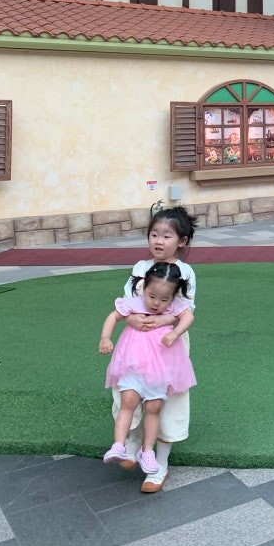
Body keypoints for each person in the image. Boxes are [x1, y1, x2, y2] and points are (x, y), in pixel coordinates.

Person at [113, 205, 197, 491]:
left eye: (166, 236)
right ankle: (133, 444)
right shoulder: (140, 268)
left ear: (182, 241)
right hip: (136, 344)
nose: (159, 241)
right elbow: (127, 301)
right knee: (129, 392)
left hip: (167, 346)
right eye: (154, 234)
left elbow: (187, 308)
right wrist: (131, 318)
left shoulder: (185, 272)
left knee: (166, 400)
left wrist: (165, 320)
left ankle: (160, 464)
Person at [99, 261, 196, 473]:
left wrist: (175, 332)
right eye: (152, 296)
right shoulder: (134, 303)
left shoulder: (174, 306)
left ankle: (148, 451)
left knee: (154, 408)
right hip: (132, 363)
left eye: (164, 299)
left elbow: (188, 316)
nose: (156, 303)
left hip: (159, 368)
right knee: (128, 401)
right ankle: (119, 445)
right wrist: (105, 337)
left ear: (173, 297)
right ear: (144, 288)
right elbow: (113, 316)